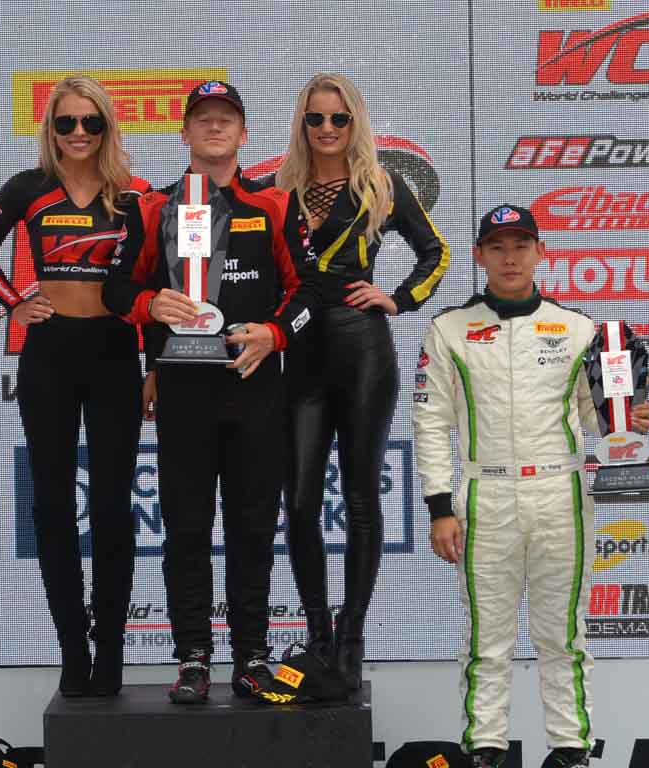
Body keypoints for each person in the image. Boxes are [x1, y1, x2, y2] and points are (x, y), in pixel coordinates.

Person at [413, 205, 649, 768]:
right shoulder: (447, 328)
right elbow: (430, 422)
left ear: (541, 252)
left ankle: (571, 751)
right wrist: (438, 506)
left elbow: (591, 417)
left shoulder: (577, 328)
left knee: (564, 636)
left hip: (560, 494)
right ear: (479, 256)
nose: (510, 257)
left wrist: (623, 421)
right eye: (497, 247)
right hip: (484, 497)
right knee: (485, 642)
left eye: (521, 245)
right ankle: (485, 750)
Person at [103, 80, 318, 704]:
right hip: (183, 393)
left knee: (253, 527)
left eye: (227, 119)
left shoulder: (273, 205)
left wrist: (274, 336)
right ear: (186, 134)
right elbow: (117, 292)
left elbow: (308, 296)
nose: (215, 128)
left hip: (254, 391)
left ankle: (251, 656)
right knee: (188, 529)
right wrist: (150, 302)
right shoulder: (151, 208)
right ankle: (193, 657)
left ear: (244, 134)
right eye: (204, 119)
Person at [0, 75, 149, 697]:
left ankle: (113, 655)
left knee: (111, 507)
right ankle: (73, 647)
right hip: (48, 354)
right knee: (51, 503)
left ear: (107, 128)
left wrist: (157, 363)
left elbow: (155, 276)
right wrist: (16, 301)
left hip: (114, 351)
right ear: (51, 128)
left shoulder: (134, 194)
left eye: (90, 123)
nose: (78, 133)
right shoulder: (27, 187)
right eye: (66, 123)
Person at [270, 73, 450, 687]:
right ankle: (318, 634)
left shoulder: (381, 184)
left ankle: (351, 638)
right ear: (302, 124)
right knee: (298, 503)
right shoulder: (279, 190)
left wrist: (396, 299)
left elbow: (437, 254)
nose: (326, 129)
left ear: (355, 124)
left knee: (359, 497)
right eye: (315, 119)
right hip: (300, 355)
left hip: (363, 351)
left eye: (338, 119)